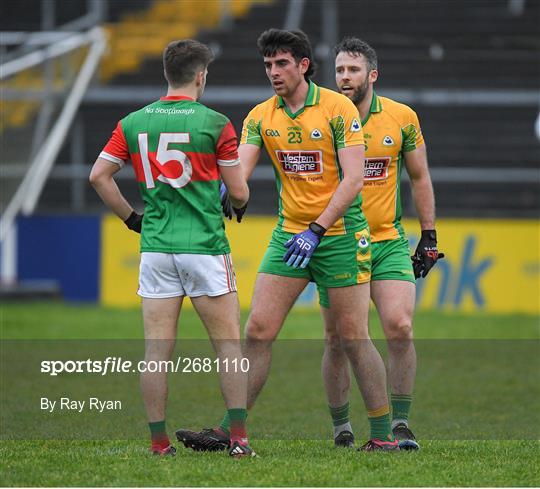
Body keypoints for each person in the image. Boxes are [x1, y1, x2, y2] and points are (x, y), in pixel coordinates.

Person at [176, 28, 398, 452]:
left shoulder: (336, 109)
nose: (273, 72)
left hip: (339, 234)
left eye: (281, 64)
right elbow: (240, 168)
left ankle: (384, 435)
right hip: (288, 236)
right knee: (257, 330)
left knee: (352, 337)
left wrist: (317, 230)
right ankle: (229, 430)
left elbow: (353, 180)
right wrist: (228, 188)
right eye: (267, 65)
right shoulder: (261, 115)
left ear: (303, 65)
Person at [89, 39, 255, 458]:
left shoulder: (134, 122)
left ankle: (159, 444)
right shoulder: (216, 123)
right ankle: (238, 441)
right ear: (201, 76)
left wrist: (131, 218)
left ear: (167, 73)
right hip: (203, 245)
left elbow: (99, 176)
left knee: (156, 351)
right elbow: (237, 191)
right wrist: (238, 203)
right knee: (228, 346)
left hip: (157, 247)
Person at [319, 37, 444, 450]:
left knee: (400, 327)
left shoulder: (401, 117)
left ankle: (401, 423)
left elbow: (420, 176)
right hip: (337, 242)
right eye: (339, 70)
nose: (344, 78)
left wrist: (428, 236)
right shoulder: (321, 116)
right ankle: (342, 428)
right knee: (337, 339)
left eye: (352, 70)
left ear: (372, 75)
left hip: (386, 241)